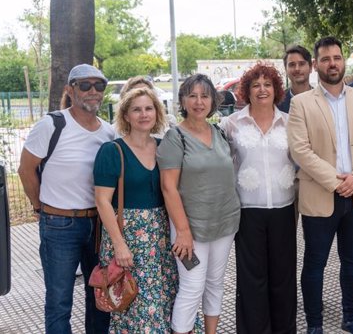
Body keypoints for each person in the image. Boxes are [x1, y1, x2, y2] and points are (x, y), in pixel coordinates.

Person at [287, 36, 353, 334]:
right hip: (321, 195)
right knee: (315, 264)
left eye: (337, 58)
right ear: (317, 65)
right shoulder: (301, 103)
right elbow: (300, 150)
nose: (332, 63)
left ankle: (351, 318)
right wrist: (335, 181)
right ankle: (314, 325)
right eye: (326, 59)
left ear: (344, 61)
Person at [18, 63, 114, 333]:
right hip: (59, 225)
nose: (93, 91)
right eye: (85, 85)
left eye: (99, 85)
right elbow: (25, 170)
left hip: (98, 225)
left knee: (99, 297)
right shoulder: (52, 124)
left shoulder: (109, 132)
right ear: (70, 90)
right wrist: (39, 207)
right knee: (59, 301)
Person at [157, 74, 241, 334]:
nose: (198, 101)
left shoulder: (219, 132)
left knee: (215, 283)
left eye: (204, 96)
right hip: (189, 230)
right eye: (192, 95)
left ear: (213, 101)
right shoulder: (175, 137)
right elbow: (168, 187)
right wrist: (182, 231)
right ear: (182, 99)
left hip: (224, 223)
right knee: (192, 287)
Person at [221, 63, 297, 334]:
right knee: (252, 279)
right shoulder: (230, 124)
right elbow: (222, 164)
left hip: (284, 208)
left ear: (276, 89)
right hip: (248, 211)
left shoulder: (290, 122)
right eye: (256, 85)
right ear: (247, 90)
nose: (262, 89)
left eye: (268, 84)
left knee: (284, 278)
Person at [93, 87, 177, 332]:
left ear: (157, 113)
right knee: (134, 305)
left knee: (163, 300)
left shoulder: (164, 148)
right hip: (129, 239)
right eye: (136, 109)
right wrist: (119, 244)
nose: (143, 114)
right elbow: (102, 201)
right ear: (126, 115)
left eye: (149, 108)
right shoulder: (112, 151)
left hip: (161, 240)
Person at [277, 45, 313, 113]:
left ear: (311, 67)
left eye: (302, 64)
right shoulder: (277, 103)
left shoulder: (322, 100)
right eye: (292, 65)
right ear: (286, 70)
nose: (297, 69)